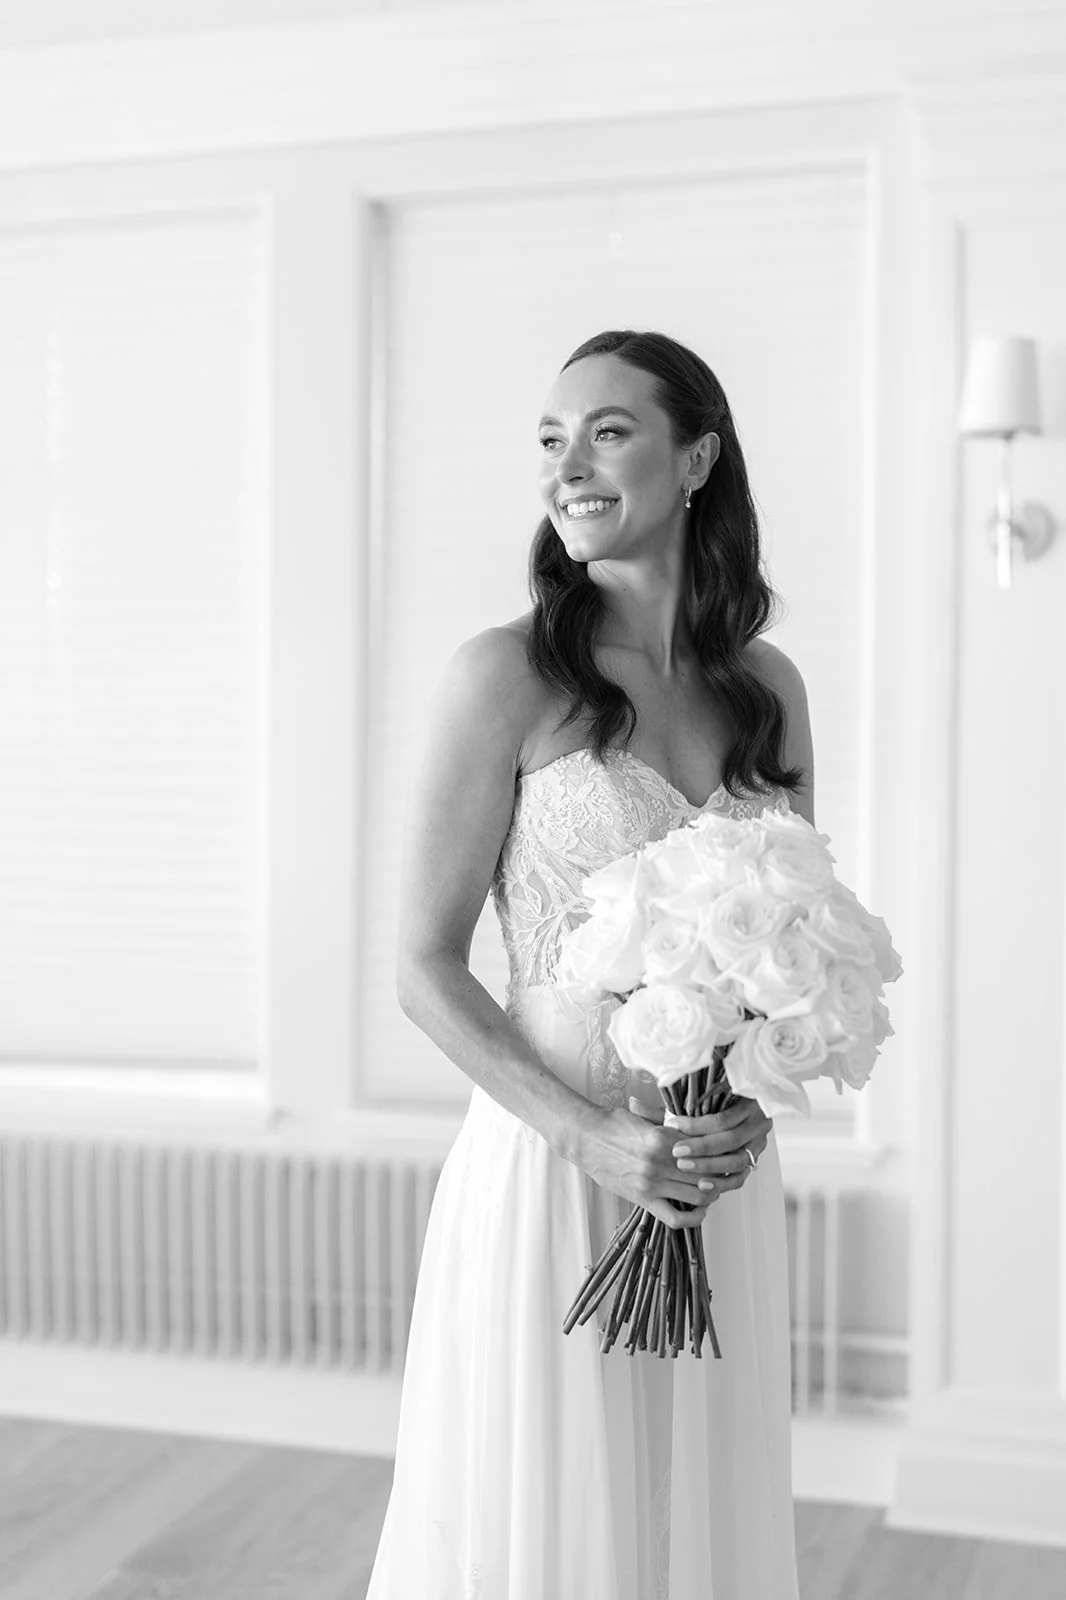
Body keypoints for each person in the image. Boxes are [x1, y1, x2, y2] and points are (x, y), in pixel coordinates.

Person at [365, 328, 814, 1599]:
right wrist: (589, 1139)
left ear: (696, 460)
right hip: (549, 1164)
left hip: (710, 1179)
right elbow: (421, 965)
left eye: (608, 430)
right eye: (552, 440)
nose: (569, 465)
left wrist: (741, 1111)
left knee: (687, 1524)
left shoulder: (766, 689)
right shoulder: (502, 675)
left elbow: (792, 937)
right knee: (545, 1530)